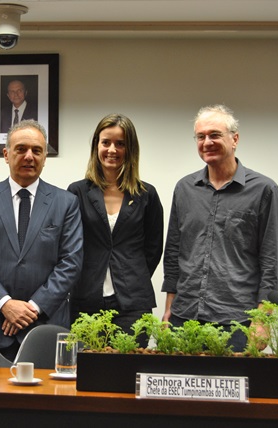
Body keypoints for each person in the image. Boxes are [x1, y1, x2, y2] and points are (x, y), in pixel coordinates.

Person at [162, 104, 278, 351]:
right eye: (201, 136)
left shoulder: (264, 190)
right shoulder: (184, 189)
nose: (207, 142)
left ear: (234, 139)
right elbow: (174, 253)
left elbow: (273, 261)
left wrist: (262, 322)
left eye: (215, 135)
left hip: (238, 323)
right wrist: (168, 310)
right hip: (184, 318)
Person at [0, 119, 83, 360]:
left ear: (45, 157)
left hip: (46, 327)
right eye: (21, 149)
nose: (29, 156)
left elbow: (71, 262)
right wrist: (5, 304)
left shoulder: (66, 202)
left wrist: (32, 308)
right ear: (6, 154)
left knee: (51, 397)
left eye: (37, 150)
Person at [67, 113, 163, 345]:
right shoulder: (77, 192)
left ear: (130, 149)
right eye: (106, 142)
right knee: (86, 371)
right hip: (86, 299)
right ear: (96, 146)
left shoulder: (145, 194)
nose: (112, 149)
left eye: (120, 144)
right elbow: (68, 246)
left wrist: (130, 274)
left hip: (133, 303)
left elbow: (153, 248)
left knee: (127, 372)